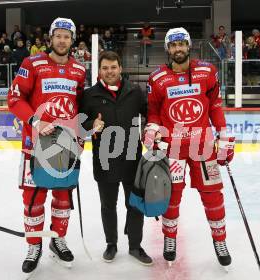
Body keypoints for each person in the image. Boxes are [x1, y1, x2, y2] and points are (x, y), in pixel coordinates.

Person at [145, 27, 235, 267]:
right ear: (168, 49)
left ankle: (220, 241)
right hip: (172, 148)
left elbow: (215, 104)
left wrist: (224, 134)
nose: (178, 49)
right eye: (173, 45)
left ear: (188, 46)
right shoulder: (156, 78)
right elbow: (153, 111)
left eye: (181, 44)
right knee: (171, 196)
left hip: (203, 146)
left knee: (213, 195)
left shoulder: (207, 71)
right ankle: (170, 238)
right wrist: (151, 130)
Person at [7, 17, 86, 274]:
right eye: (58, 35)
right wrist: (35, 121)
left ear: (72, 40)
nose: (62, 40)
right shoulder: (32, 63)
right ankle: (34, 245)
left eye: (67, 36)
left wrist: (81, 136)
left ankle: (57, 239)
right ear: (50, 38)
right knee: (33, 197)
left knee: (63, 197)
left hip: (66, 146)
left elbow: (81, 107)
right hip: (35, 145)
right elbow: (15, 98)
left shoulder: (78, 70)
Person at [79, 51, 152, 265]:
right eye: (105, 68)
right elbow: (79, 124)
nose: (109, 72)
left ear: (120, 68)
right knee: (108, 205)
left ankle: (135, 246)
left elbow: (150, 113)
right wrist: (91, 125)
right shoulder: (90, 95)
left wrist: (151, 129)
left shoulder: (135, 91)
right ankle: (111, 244)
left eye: (113, 67)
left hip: (132, 158)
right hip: (105, 160)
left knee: (135, 205)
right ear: (99, 70)